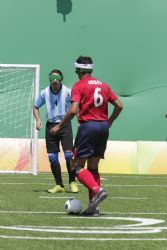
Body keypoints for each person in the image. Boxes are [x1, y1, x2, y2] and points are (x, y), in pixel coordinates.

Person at [50, 56, 123, 215]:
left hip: (88, 126)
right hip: (103, 127)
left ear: (77, 70)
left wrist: (59, 126)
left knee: (75, 166)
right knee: (93, 167)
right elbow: (119, 105)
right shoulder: (103, 85)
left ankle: (97, 189)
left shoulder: (79, 85)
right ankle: (93, 207)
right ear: (91, 69)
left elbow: (73, 110)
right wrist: (110, 121)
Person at [33, 69, 78, 193]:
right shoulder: (44, 93)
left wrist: (79, 121)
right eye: (52, 79)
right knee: (52, 157)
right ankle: (59, 185)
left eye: (56, 79)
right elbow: (35, 106)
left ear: (61, 80)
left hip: (65, 125)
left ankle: (72, 181)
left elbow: (76, 106)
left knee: (69, 155)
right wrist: (38, 120)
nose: (54, 82)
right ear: (49, 80)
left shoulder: (68, 92)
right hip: (50, 127)